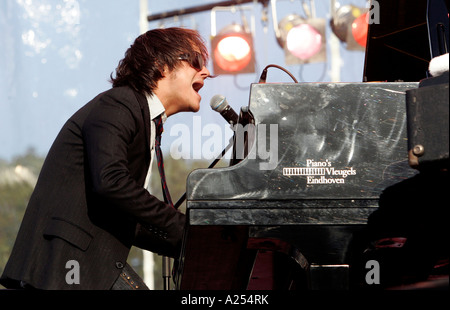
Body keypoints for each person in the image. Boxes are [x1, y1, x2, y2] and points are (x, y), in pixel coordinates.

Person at [0, 27, 211, 290]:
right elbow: (110, 181)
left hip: (85, 262)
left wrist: (192, 241)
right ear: (161, 65)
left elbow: (124, 215)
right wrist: (189, 228)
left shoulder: (142, 116)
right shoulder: (120, 103)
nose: (206, 72)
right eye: (196, 61)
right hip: (68, 262)